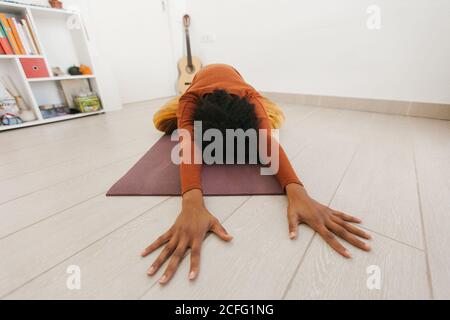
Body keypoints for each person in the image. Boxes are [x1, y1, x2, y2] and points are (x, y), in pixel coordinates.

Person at [142, 64, 372, 285]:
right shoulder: (189, 100)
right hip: (198, 84)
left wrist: (298, 192)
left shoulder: (251, 96)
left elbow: (267, 142)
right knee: (161, 122)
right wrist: (191, 203)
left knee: (275, 121)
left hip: (238, 83)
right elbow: (189, 145)